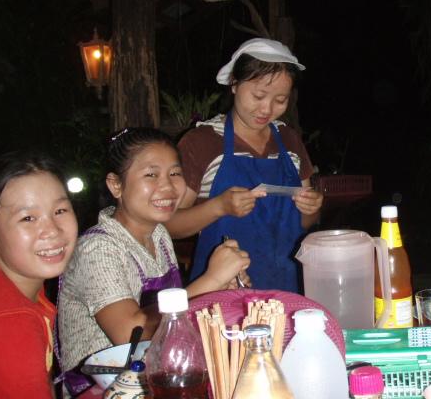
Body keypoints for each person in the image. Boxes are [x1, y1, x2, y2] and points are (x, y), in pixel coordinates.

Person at [58, 128, 250, 393]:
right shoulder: (96, 249)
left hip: (153, 378)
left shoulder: (159, 234)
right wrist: (211, 279)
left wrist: (218, 287)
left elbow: (172, 319)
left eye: (175, 173)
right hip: (100, 390)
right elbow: (130, 333)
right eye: (151, 175)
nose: (168, 186)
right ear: (116, 185)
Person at [166, 38, 324, 292]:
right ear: (234, 84)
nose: (266, 109)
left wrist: (312, 208)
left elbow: (304, 223)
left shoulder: (289, 140)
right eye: (258, 96)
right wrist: (218, 207)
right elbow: (170, 226)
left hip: (288, 288)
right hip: (223, 294)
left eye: (280, 100)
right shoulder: (202, 142)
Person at [0, 151, 78, 398]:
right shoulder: (12, 321)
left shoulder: (22, 286)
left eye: (60, 211)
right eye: (28, 218)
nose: (52, 230)